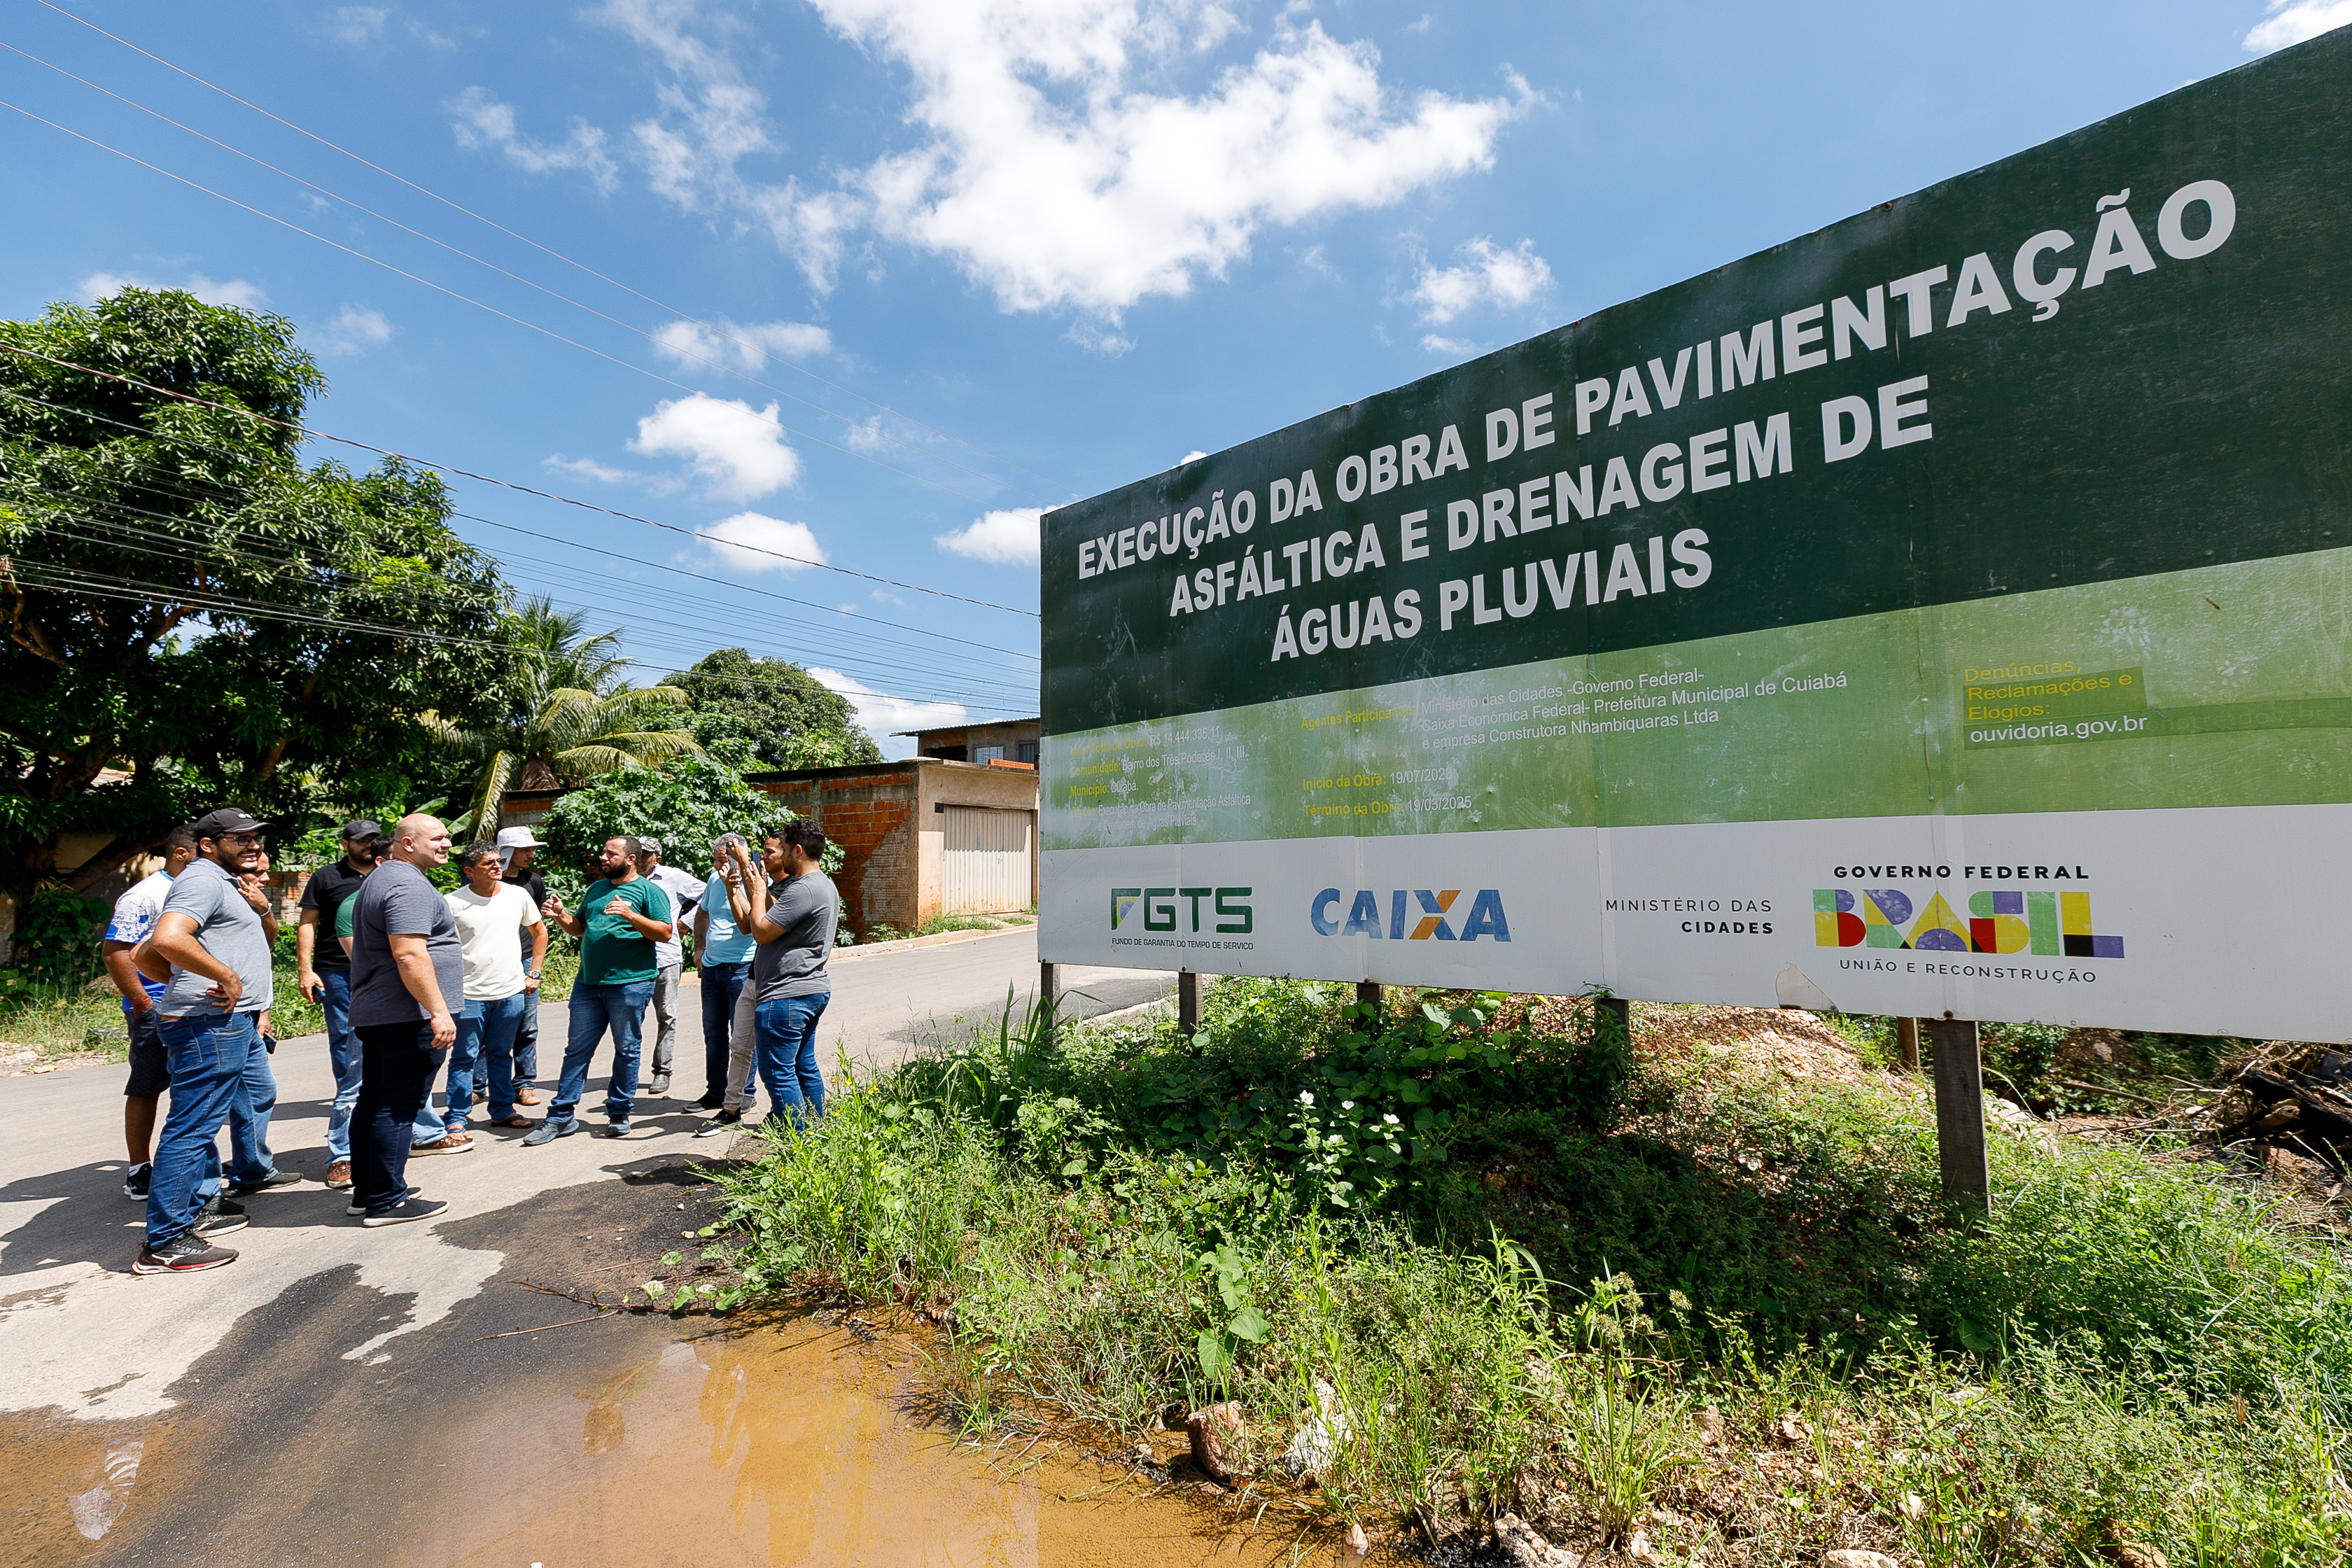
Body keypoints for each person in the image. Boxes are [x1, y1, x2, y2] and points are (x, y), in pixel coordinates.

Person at [131, 808, 288, 1274]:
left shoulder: (225, 884)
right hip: (208, 1023)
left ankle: (189, 1215)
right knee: (192, 1128)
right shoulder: (201, 880)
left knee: (201, 1122)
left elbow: (148, 954)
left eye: (256, 838)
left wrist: (189, 979)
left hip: (221, 1020)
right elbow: (163, 940)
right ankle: (165, 1241)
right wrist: (220, 977)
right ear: (207, 844)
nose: (253, 845)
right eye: (241, 839)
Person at [345, 814, 463, 1226]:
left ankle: (369, 1192)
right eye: (438, 837)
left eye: (448, 836)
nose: (447, 843)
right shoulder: (406, 885)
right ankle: (386, 1201)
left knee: (375, 1100)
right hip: (406, 1015)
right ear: (408, 844)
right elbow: (409, 954)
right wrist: (438, 1011)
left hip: (386, 1014)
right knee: (397, 1106)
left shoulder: (385, 878)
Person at [524, 836, 673, 1144]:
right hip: (588, 983)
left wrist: (631, 915)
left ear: (631, 859)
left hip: (631, 983)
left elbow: (665, 932)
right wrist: (562, 916)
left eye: (611, 853)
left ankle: (619, 1113)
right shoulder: (595, 889)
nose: (602, 857)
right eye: (603, 852)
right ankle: (561, 1116)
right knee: (576, 1050)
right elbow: (580, 927)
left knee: (627, 1049)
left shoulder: (649, 892)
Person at [714, 822, 837, 1137]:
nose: (778, 854)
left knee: (779, 1073)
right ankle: (815, 1133)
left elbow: (760, 930)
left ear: (797, 850)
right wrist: (744, 886)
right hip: (804, 990)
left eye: (782, 849)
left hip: (786, 994)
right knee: (801, 1065)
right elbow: (769, 918)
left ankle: (796, 1141)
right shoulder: (819, 886)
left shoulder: (804, 888)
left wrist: (756, 890)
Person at [101, 824, 198, 1200]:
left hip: (196, 1003)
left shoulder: (199, 890)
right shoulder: (144, 896)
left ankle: (196, 1166)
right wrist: (143, 1004)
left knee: (197, 1089)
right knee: (147, 1086)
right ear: (180, 853)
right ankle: (139, 1167)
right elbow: (115, 952)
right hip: (155, 1005)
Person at [295, 820, 382, 1190]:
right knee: (347, 1052)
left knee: (388, 1053)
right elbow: (308, 923)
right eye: (361, 841)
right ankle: (343, 1152)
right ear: (346, 844)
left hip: (384, 972)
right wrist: (305, 968)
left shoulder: (387, 872)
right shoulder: (326, 877)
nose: (367, 846)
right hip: (338, 972)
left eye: (373, 840)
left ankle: (397, 1131)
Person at [443, 841, 545, 1133]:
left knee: (501, 1054)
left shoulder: (518, 895)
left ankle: (502, 1110)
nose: (497, 866)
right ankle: (456, 1117)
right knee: (464, 1057)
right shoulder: (453, 902)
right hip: (468, 995)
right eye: (488, 863)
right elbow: (439, 948)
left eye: (498, 861)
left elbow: (539, 932)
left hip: (510, 991)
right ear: (470, 871)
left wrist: (533, 973)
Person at [634, 836, 705, 1100]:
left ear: (657, 858)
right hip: (633, 960)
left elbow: (707, 894)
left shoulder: (672, 877)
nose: (641, 858)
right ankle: (627, 1073)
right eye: (638, 853)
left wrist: (686, 921)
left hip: (665, 957)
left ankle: (662, 1070)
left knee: (666, 1015)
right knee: (631, 1017)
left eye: (647, 854)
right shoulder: (627, 878)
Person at [691, 834, 755, 1112]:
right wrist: (699, 948)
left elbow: (756, 918)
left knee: (741, 1037)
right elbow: (703, 912)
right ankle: (715, 1091)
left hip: (741, 967)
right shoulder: (714, 879)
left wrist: (736, 890)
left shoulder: (756, 880)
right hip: (712, 967)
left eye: (722, 861)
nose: (718, 867)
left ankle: (744, 1094)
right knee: (713, 1033)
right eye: (716, 861)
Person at [496, 827, 550, 1103]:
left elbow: (538, 928)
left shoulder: (533, 882)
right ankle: (481, 1087)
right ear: (507, 852)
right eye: (524, 850)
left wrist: (534, 970)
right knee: (490, 1026)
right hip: (493, 962)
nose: (530, 855)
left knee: (527, 1025)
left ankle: (525, 1084)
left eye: (531, 849)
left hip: (525, 959)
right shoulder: (487, 881)